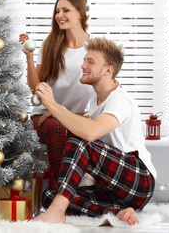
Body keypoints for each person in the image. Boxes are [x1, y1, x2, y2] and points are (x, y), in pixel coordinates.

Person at [32, 37, 157, 225]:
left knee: (81, 139)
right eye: (84, 60)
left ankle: (57, 212)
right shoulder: (96, 101)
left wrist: (52, 103)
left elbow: (90, 133)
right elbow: (85, 123)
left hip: (139, 181)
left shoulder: (120, 101)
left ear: (108, 70)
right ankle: (117, 212)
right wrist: (58, 112)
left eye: (90, 62)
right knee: (50, 195)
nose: (83, 66)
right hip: (112, 188)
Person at [19, 0, 93, 183]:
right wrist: (29, 56)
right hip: (44, 117)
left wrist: (62, 112)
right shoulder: (50, 45)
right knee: (56, 126)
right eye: (57, 11)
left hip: (75, 118)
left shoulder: (95, 49)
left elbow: (101, 93)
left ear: (80, 12)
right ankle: (64, 192)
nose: (59, 15)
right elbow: (36, 88)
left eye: (66, 10)